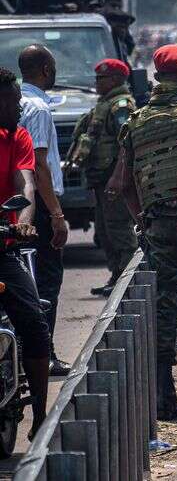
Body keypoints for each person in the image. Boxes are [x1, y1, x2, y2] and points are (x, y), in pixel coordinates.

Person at [109, 44, 177, 420]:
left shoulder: (134, 122)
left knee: (164, 306)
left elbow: (121, 183)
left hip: (160, 226)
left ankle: (164, 395)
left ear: (156, 78)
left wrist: (143, 219)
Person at [0, 67, 51, 438]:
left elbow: (26, 183)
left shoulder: (17, 136)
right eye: (13, 101)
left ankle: (39, 414)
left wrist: (24, 222)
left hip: (2, 245)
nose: (20, 107)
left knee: (33, 321)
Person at [17, 45, 70, 376]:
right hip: (37, 207)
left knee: (22, 278)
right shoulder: (37, 108)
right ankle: (43, 353)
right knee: (46, 281)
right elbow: (38, 166)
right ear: (46, 69)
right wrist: (57, 214)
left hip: (14, 203)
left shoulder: (14, 101)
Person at [66, 59, 136, 297]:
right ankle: (117, 278)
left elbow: (127, 145)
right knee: (106, 233)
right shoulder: (104, 104)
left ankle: (128, 283)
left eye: (102, 78)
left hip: (112, 179)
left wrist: (118, 178)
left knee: (120, 232)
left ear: (116, 80)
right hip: (100, 180)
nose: (97, 83)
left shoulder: (121, 105)